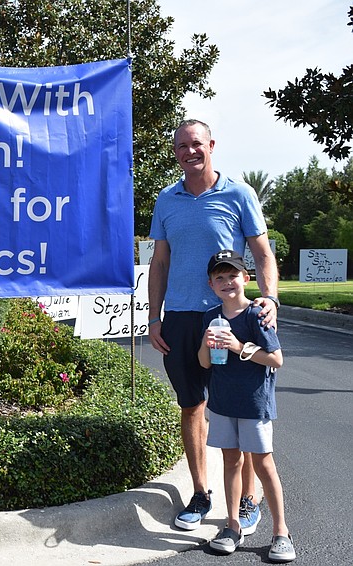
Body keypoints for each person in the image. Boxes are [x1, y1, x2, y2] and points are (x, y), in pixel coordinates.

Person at [148, 119, 280, 532]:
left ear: (212, 145)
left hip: (232, 318)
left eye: (197, 144)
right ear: (175, 151)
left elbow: (261, 255)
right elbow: (160, 262)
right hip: (182, 320)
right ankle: (201, 494)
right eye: (182, 146)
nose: (190, 151)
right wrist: (155, 317)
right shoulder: (166, 200)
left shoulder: (240, 193)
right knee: (192, 405)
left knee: (238, 408)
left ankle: (247, 501)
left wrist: (270, 299)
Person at [199, 250, 295, 562]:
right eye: (220, 278)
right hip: (223, 402)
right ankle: (232, 526)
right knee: (231, 462)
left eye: (233, 275)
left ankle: (281, 532)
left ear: (246, 279)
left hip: (254, 403)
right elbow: (204, 363)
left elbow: (276, 359)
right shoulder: (210, 317)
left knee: (263, 464)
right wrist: (207, 343)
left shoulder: (256, 315)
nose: (227, 282)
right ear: (212, 285)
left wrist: (239, 347)